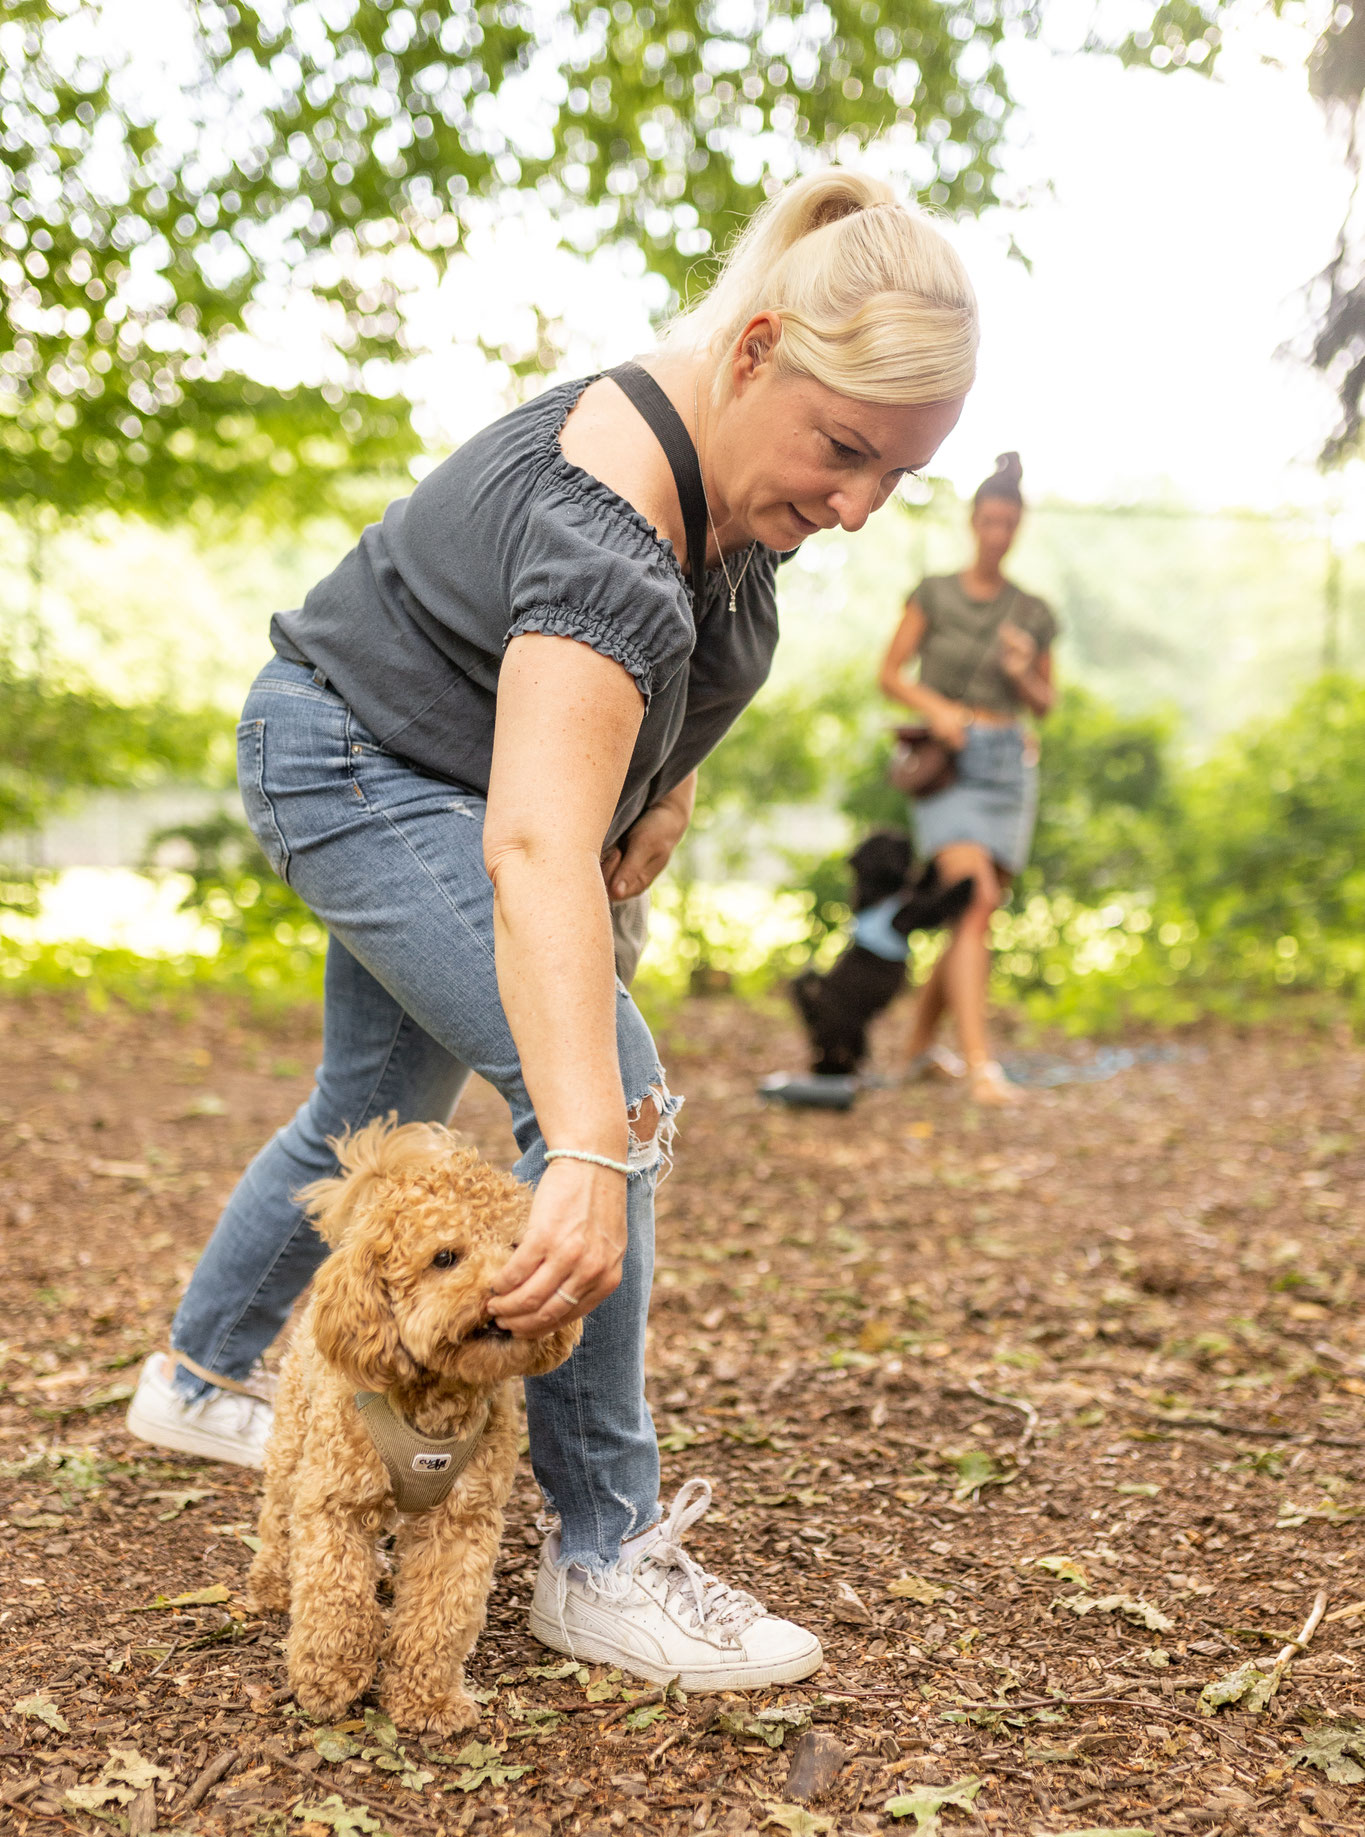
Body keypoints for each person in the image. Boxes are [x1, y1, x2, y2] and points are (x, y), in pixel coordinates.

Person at [124, 165, 978, 1690]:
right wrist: (584, 1145)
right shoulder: (607, 519)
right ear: (761, 346)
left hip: (442, 768)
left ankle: (195, 1377)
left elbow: (679, 656)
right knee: (610, 1082)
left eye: (899, 478)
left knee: (365, 1105)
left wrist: (669, 783)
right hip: (357, 761)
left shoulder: (740, 461)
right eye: (848, 453)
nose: (859, 508)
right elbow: (525, 845)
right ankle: (603, 1556)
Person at [877, 452, 1058, 1105]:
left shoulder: (1032, 612)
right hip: (948, 767)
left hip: (1009, 766)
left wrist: (1020, 672)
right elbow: (890, 673)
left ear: (1018, 527)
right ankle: (982, 1067)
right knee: (975, 899)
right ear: (972, 521)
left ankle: (920, 1048)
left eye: (1008, 523)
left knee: (971, 917)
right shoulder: (934, 594)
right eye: (988, 520)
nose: (997, 533)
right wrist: (939, 709)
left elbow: (1046, 703)